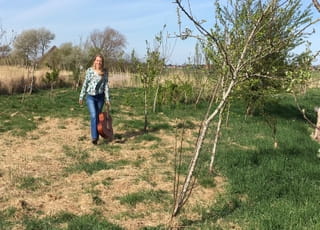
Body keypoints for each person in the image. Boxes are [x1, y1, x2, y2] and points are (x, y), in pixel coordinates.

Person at [79, 54, 111, 145]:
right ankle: (94, 137)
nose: (98, 62)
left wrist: (107, 99)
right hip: (90, 97)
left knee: (98, 116)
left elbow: (106, 86)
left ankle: (97, 135)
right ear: (94, 61)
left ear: (102, 62)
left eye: (100, 61)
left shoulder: (105, 72)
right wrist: (81, 96)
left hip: (100, 97)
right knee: (93, 115)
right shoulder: (89, 71)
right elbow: (85, 83)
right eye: (97, 60)